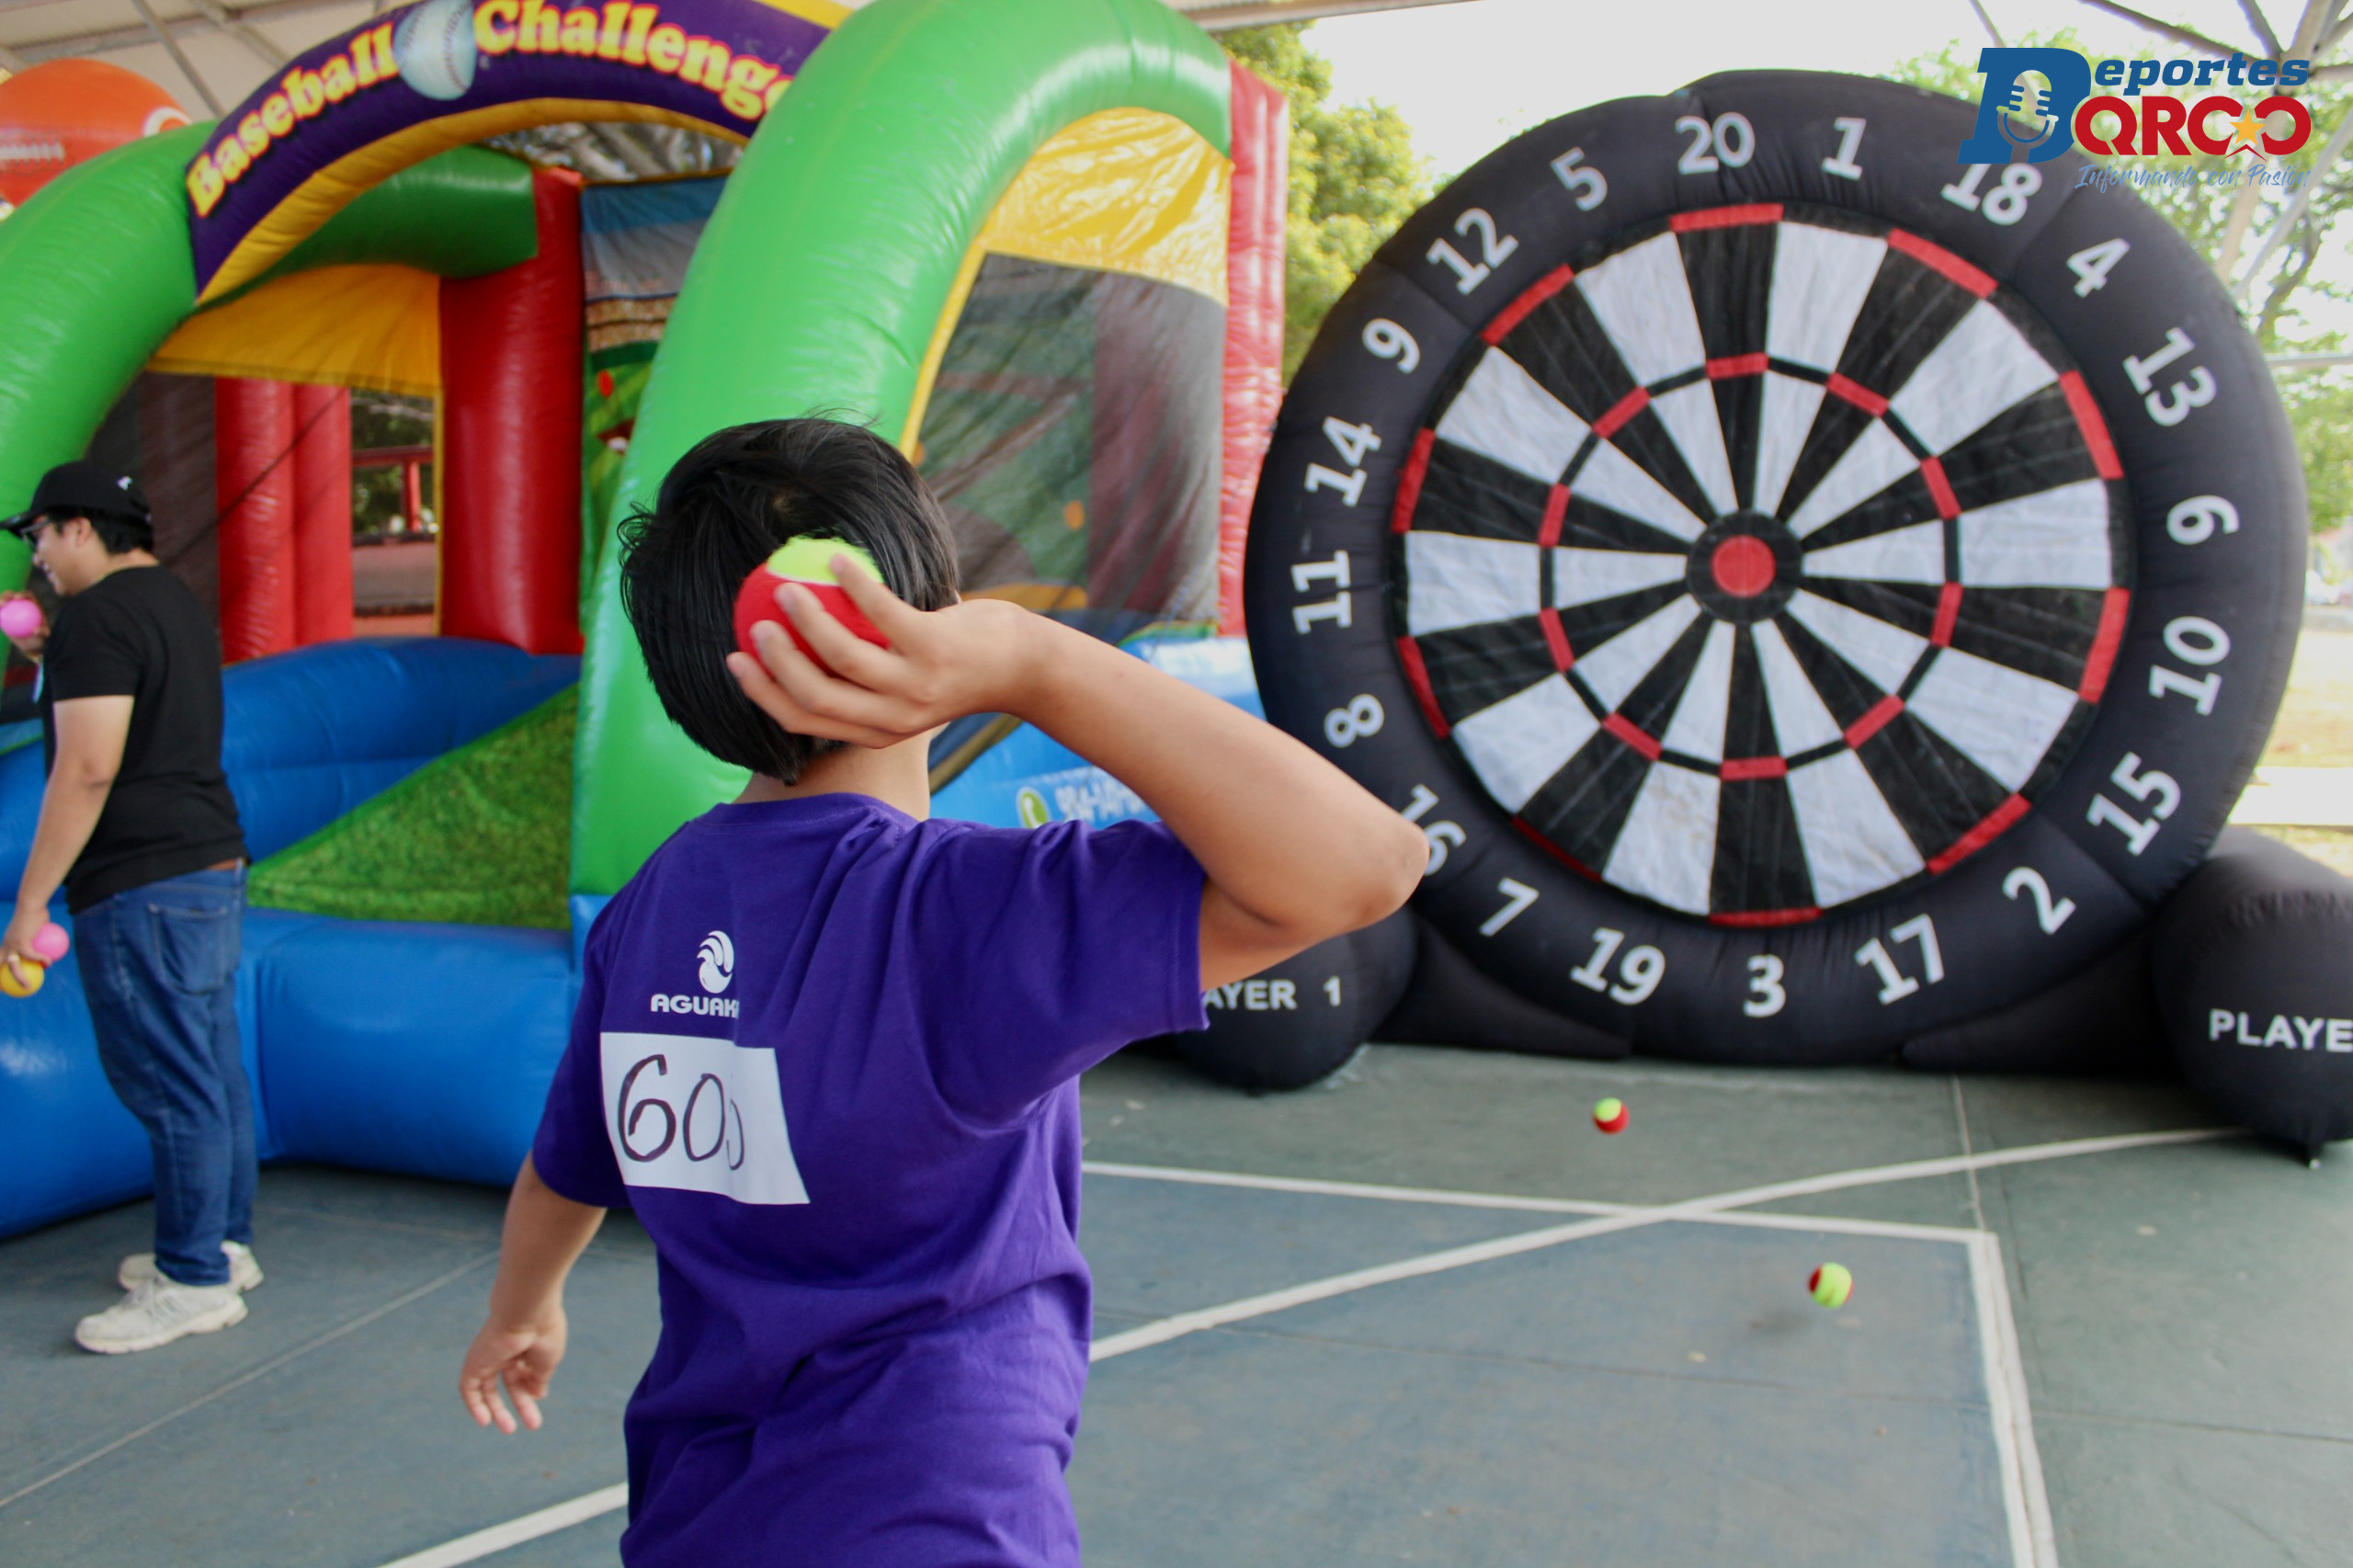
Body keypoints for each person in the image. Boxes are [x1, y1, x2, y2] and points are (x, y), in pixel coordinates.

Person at [456, 419, 1424, 1565]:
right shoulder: (961, 912)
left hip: (696, 1520)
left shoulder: (652, 910)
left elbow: (564, 1169)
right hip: (937, 1527)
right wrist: (1033, 661)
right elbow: (1370, 864)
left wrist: (523, 1307)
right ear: (925, 610)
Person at [0, 461, 256, 1356]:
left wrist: (29, 904)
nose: (36, 562)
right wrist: (52, 657)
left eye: (38, 538)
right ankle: (223, 1244)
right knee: (211, 1062)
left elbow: (89, 766)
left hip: (142, 879)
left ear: (78, 527)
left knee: (170, 1078)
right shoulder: (168, 599)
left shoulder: (98, 617)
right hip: (208, 860)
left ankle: (192, 1278)